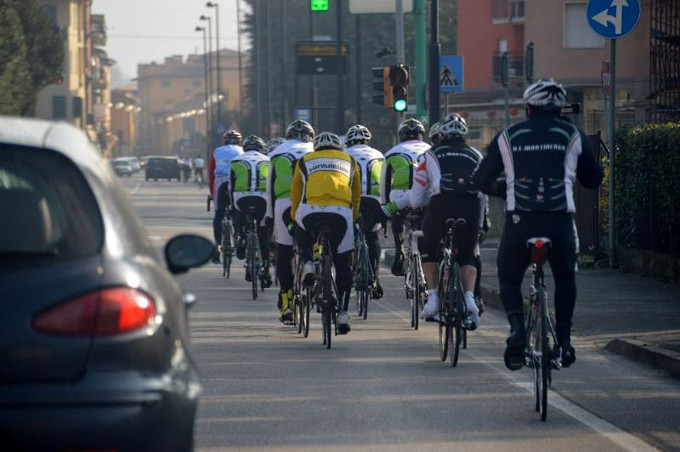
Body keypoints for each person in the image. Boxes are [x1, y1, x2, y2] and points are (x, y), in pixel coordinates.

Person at [473, 78, 603, 370]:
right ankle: (565, 342)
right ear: (559, 109)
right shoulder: (573, 134)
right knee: (565, 277)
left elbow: (480, 180)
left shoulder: (508, 136)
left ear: (528, 108)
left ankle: (518, 328)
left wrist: (505, 190)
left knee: (508, 279)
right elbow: (593, 179)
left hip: (521, 222)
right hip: (560, 221)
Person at [383, 113, 483, 329]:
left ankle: (434, 298)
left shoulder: (430, 155)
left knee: (429, 248)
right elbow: (483, 192)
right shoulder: (476, 155)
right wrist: (482, 223)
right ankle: (470, 299)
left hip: (441, 206)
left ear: (441, 135)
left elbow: (417, 197)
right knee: (467, 255)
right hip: (471, 208)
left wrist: (403, 207)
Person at [291, 131, 361, 334]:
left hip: (311, 210)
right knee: (342, 262)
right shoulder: (350, 160)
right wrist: (353, 217)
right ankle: (344, 313)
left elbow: (296, 191)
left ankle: (309, 264)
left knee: (302, 231)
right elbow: (356, 194)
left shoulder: (305, 160)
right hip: (341, 213)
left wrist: (295, 215)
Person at [265, 120, 315, 323]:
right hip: (311, 202)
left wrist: (268, 218)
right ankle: (317, 265)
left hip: (284, 203)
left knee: (284, 252)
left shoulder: (276, 153)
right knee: (315, 242)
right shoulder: (315, 150)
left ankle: (286, 303)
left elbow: (269, 189)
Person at [381, 118, 430, 276]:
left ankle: (399, 250)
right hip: (425, 194)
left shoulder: (392, 152)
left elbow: (385, 184)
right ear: (422, 135)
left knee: (398, 217)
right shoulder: (432, 150)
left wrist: (385, 206)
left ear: (401, 136)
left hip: (400, 194)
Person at [344, 124, 385, 299]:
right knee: (373, 235)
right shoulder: (379, 155)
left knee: (347, 235)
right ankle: (374, 276)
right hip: (374, 200)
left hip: (353, 199)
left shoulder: (345, 155)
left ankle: (350, 266)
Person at [228, 135, 272, 285]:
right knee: (263, 232)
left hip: (242, 198)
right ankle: (265, 265)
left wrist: (232, 208)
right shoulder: (268, 160)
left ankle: (241, 236)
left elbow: (230, 186)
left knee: (238, 212)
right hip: (262, 199)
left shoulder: (235, 161)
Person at [209, 130, 244, 263]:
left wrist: (213, 193)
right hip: (237, 182)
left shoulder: (217, 151)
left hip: (221, 182)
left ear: (224, 142)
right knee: (238, 211)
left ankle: (217, 245)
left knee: (219, 214)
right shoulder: (243, 151)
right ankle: (240, 237)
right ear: (240, 142)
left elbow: (212, 174)